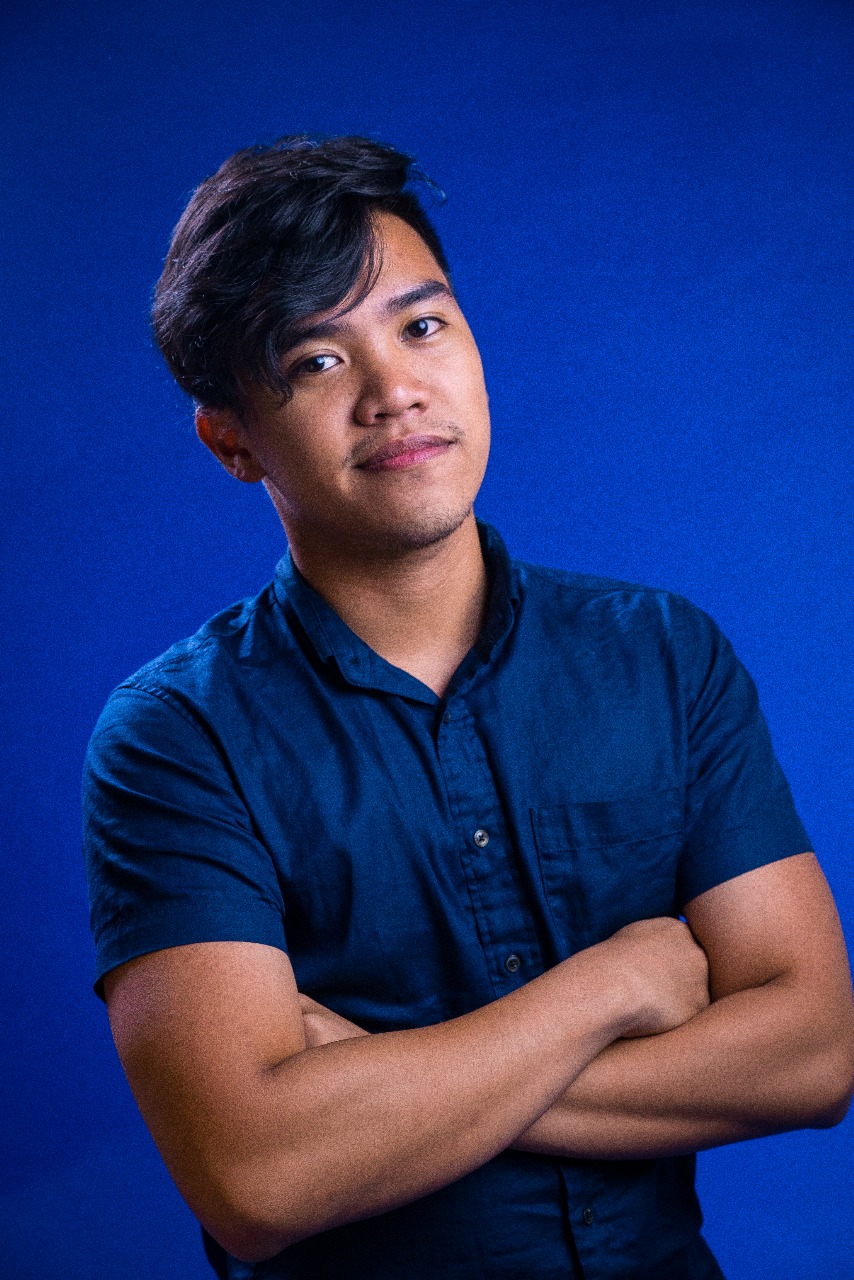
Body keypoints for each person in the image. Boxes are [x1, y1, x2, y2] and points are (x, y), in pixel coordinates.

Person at [83, 135, 854, 1280]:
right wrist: (612, 986)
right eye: (316, 359)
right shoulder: (176, 737)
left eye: (422, 325)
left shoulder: (662, 653)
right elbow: (255, 1176)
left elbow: (813, 1053)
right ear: (230, 436)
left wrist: (379, 1084)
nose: (394, 390)